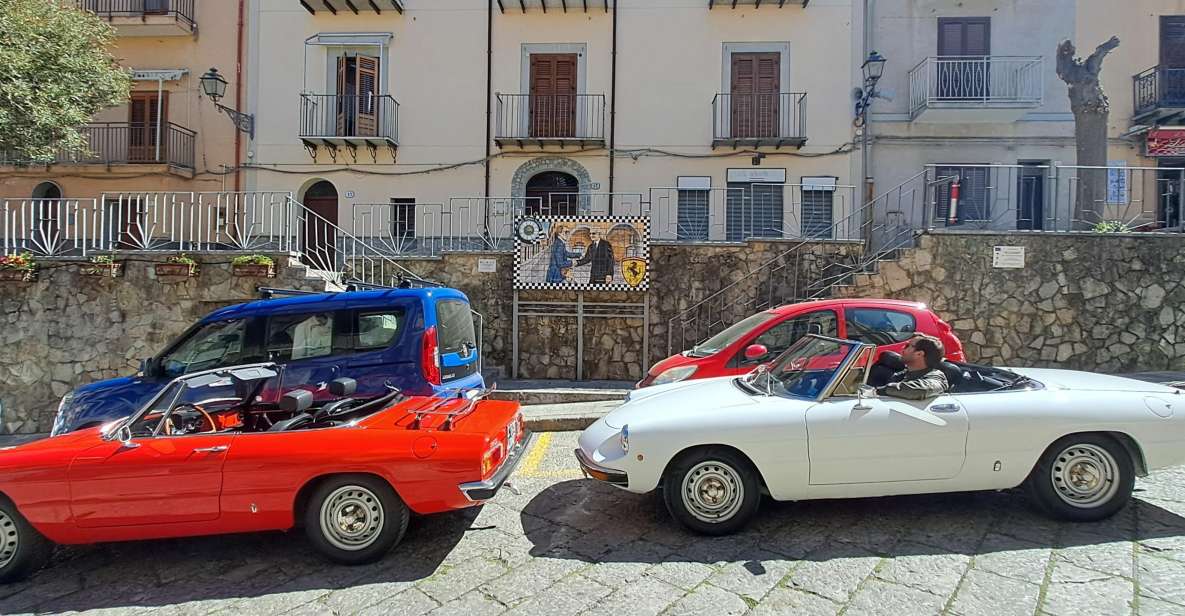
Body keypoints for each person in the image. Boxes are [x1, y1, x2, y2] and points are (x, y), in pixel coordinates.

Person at [876, 334, 949, 400]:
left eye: (908, 346)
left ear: (919, 354)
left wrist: (878, 391)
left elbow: (919, 390)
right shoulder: (903, 374)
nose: (903, 349)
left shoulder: (936, 377)